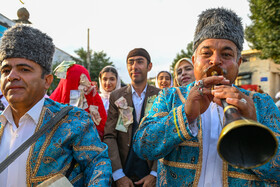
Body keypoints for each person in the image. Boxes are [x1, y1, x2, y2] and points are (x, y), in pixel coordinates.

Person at [133, 8, 280, 186]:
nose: (215, 60)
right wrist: (184, 115)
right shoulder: (170, 96)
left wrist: (254, 125)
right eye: (206, 53)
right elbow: (142, 147)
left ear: (238, 63)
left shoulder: (260, 103)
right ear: (194, 60)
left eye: (226, 54)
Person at [0, 24, 112, 186]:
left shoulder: (73, 120)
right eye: (5, 70)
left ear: (47, 81)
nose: (12, 76)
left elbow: (98, 164)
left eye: (24, 69)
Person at [103, 48, 160, 186]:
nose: (135, 67)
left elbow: (166, 137)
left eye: (140, 62)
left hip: (149, 168)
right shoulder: (117, 96)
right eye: (131, 62)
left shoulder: (160, 96)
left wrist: (155, 173)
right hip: (124, 167)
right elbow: (110, 136)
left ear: (149, 66)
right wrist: (118, 174)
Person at [50, 61, 107, 139]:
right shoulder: (51, 106)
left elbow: (104, 130)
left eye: (84, 84)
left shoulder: (94, 100)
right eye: (76, 84)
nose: (83, 88)